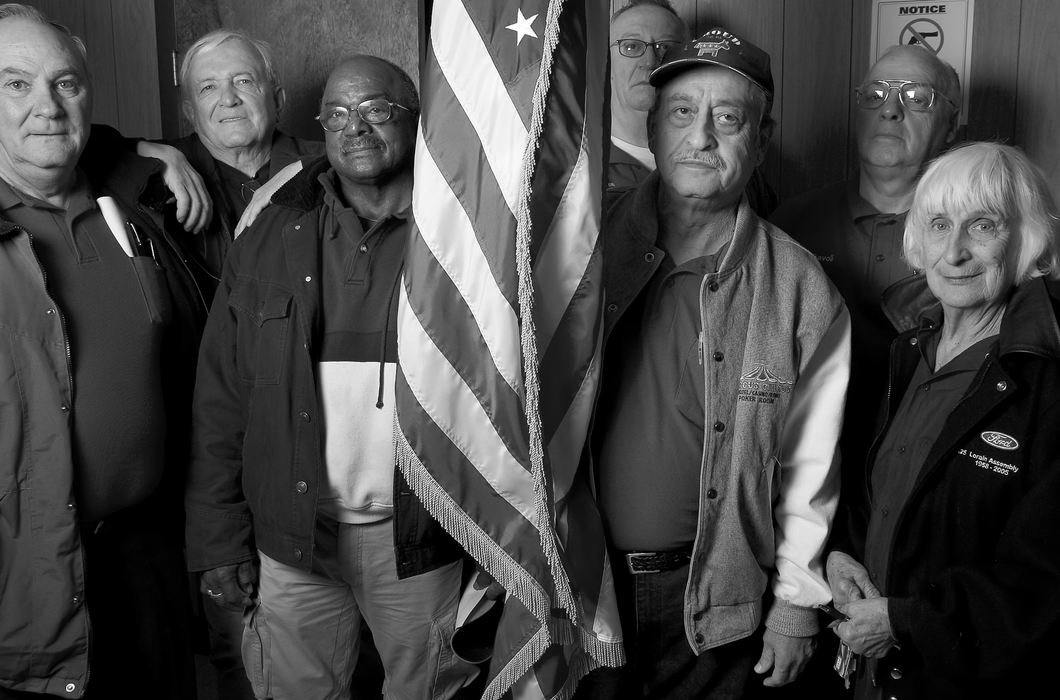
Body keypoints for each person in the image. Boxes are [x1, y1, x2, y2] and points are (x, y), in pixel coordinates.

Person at [184, 54, 471, 700]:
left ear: (416, 120)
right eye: (336, 114)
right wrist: (217, 538)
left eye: (376, 111)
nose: (354, 128)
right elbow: (222, 398)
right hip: (294, 539)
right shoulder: (271, 230)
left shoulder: (460, 228)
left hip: (420, 541)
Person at [581, 27, 851, 698]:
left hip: (714, 612)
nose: (701, 136)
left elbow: (810, 470)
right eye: (681, 113)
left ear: (761, 140)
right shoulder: (577, 249)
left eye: (728, 119)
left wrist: (796, 604)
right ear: (650, 126)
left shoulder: (801, 289)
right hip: (580, 588)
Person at [0, 4, 205, 698]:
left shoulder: (133, 202)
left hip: (148, 554)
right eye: (14, 85)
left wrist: (152, 150)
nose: (47, 107)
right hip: (29, 569)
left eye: (67, 83)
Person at [826, 142, 1060, 700]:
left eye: (982, 225)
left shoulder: (1046, 383)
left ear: (1026, 241)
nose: (953, 252)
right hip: (870, 675)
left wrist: (907, 621)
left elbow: (1043, 583)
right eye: (938, 224)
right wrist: (838, 553)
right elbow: (874, 493)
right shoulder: (906, 352)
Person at [771, 44, 961, 490]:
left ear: (951, 125)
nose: (890, 110)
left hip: (926, 470)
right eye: (874, 94)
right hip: (801, 471)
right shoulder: (790, 223)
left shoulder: (971, 239)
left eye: (917, 97)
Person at [145, 29, 322, 298]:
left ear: (277, 100)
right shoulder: (156, 169)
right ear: (191, 113)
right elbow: (81, 146)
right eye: (208, 87)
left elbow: (393, 157)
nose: (229, 99)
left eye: (244, 81)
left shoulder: (325, 161)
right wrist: (156, 152)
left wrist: (306, 168)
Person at [607, 1, 777, 215]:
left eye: (666, 47)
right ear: (604, 61)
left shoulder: (740, 160)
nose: (649, 62)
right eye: (631, 46)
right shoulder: (579, 165)